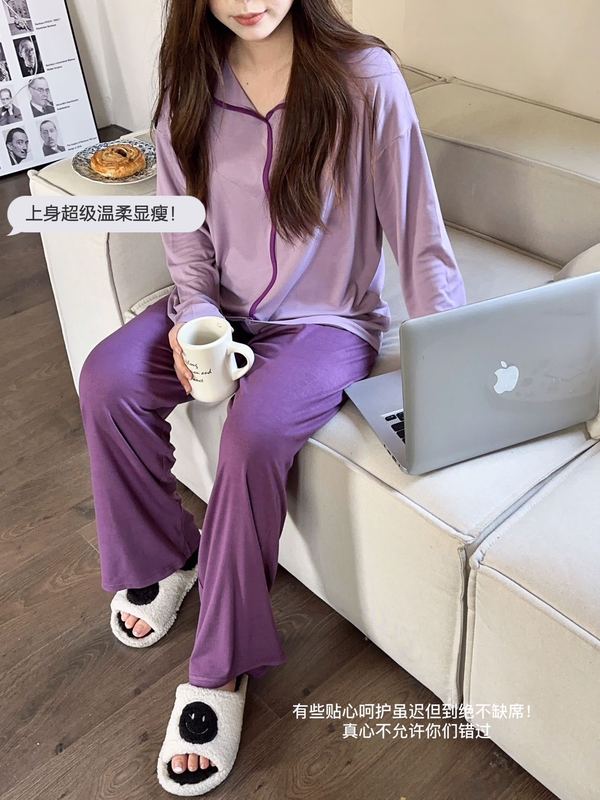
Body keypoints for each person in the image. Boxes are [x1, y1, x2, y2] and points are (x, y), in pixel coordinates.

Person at [78, 0, 467, 793]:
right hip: (220, 311)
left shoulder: (365, 79)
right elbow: (185, 227)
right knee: (107, 379)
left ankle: (222, 668)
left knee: (252, 432)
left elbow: (419, 237)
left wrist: (453, 367)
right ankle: (166, 556)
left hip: (328, 324)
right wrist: (195, 316)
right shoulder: (190, 83)